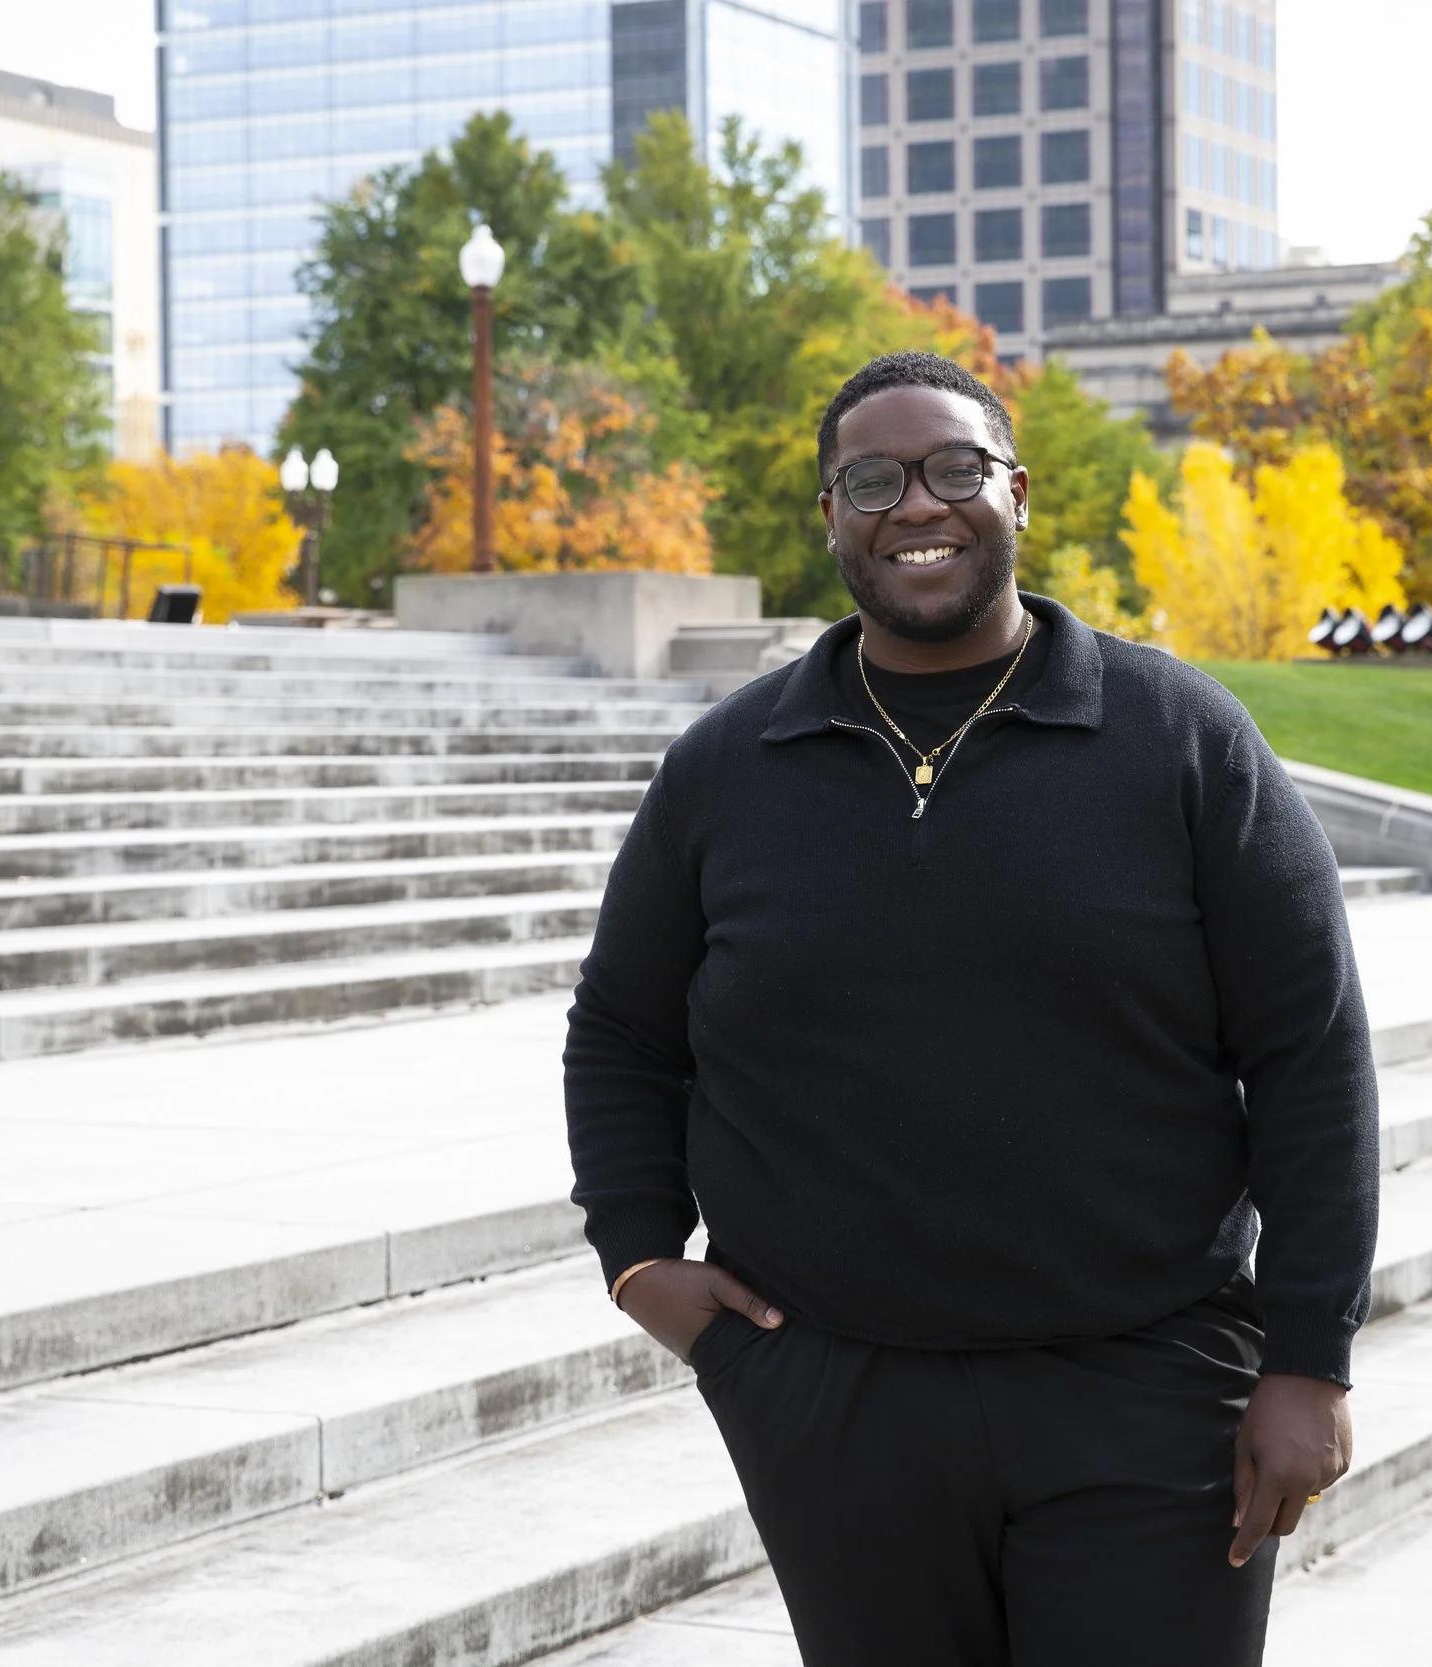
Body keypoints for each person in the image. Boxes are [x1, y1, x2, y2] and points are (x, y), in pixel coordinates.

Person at [564, 350, 1379, 1666]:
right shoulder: (729, 766)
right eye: (872, 479)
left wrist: (1311, 1354)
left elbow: (1312, 1050)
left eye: (954, 468)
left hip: (1145, 1384)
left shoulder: (1179, 738)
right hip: (833, 1394)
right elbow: (622, 1029)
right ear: (832, 514)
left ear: (1017, 491)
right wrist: (640, 1252)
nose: (916, 505)